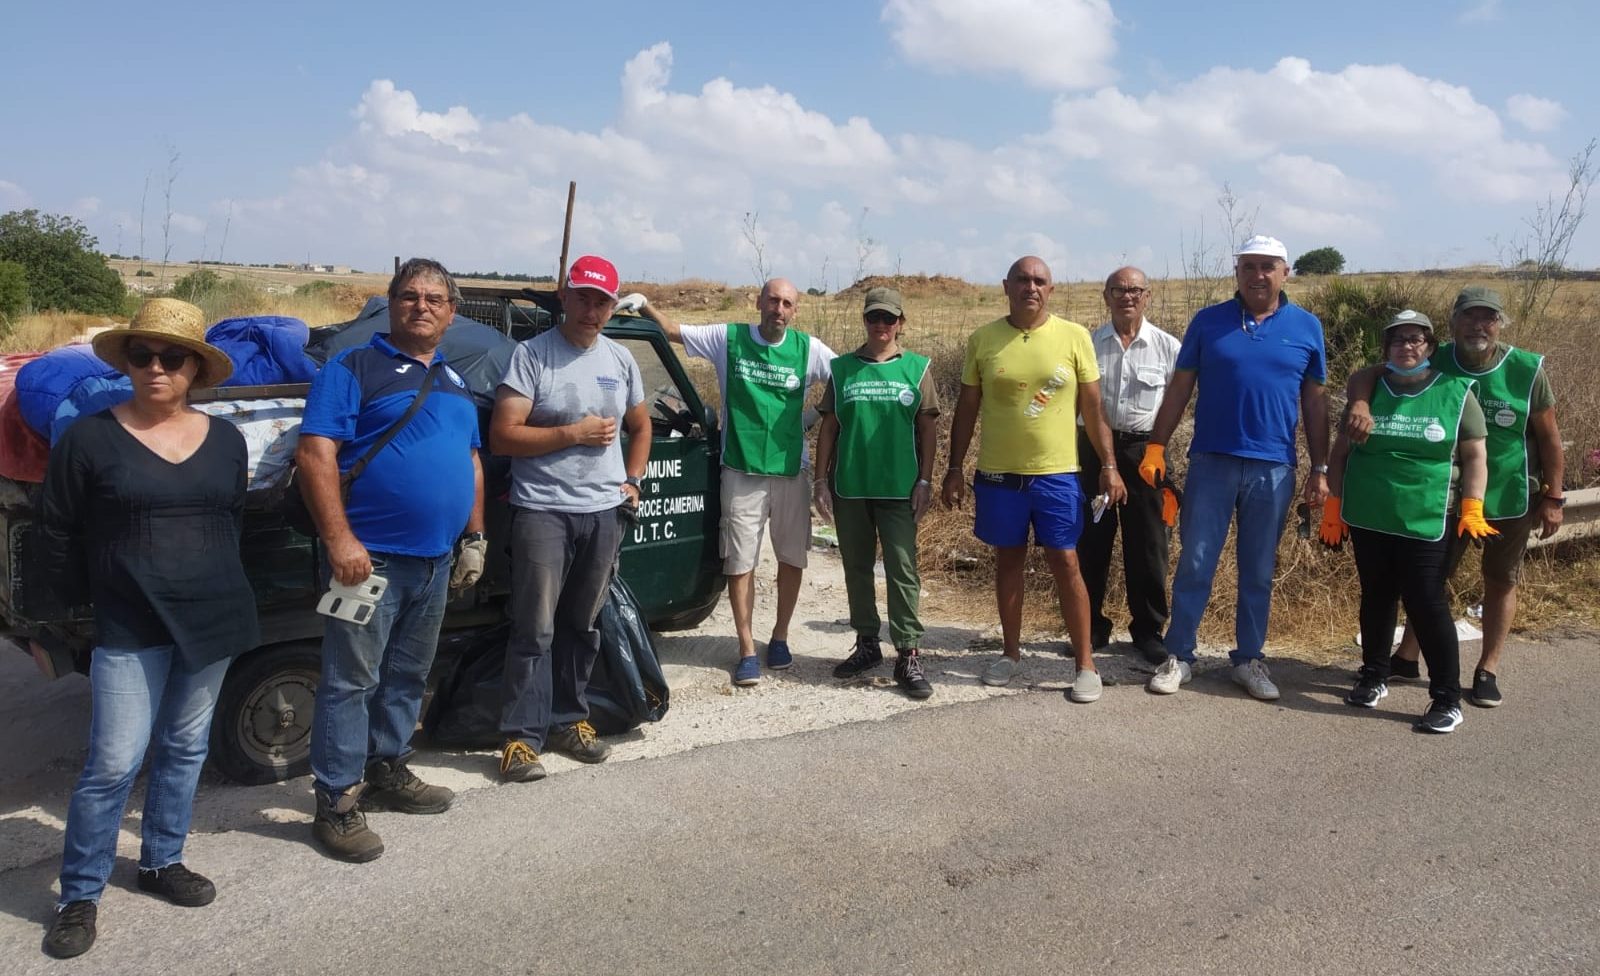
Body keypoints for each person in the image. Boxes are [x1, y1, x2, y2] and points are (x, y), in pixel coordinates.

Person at [38, 299, 258, 959]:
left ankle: (162, 860)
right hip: (129, 622)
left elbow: (232, 521)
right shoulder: (89, 438)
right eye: (143, 355)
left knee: (186, 748)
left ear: (196, 367)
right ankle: (80, 894)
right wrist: (68, 613)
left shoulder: (227, 441)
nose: (156, 368)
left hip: (214, 615)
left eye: (172, 356)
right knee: (112, 762)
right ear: (127, 361)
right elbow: (55, 531)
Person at [297, 258, 486, 862]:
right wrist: (341, 541)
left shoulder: (456, 382)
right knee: (351, 682)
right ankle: (337, 801)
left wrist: (474, 538)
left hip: (435, 562)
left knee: (407, 675)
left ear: (452, 312)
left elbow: (472, 462)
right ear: (390, 304)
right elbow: (316, 454)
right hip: (368, 560)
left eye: (435, 298)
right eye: (410, 296)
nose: (423, 306)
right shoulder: (352, 366)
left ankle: (388, 767)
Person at [1344, 286, 1564, 707]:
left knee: (1500, 579)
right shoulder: (1434, 355)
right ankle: (1407, 658)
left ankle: (1487, 669)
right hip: (1444, 497)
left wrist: (1554, 496)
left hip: (1509, 492)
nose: (1479, 325)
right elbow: (1372, 373)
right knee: (1426, 583)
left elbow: (1550, 437)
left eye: (1489, 318)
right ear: (1452, 323)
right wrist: (1359, 401)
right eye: (1469, 316)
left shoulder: (1525, 369)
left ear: (1500, 324)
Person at [1138, 235, 1329, 701]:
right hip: (1212, 461)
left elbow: (1316, 403)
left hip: (1274, 468)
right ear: (1237, 272)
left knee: (1258, 567)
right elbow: (1180, 389)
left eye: (1268, 266)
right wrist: (1156, 446)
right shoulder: (1209, 322)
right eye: (1249, 266)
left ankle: (1248, 659)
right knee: (1196, 561)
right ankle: (1179, 654)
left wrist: (1320, 468)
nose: (1258, 275)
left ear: (1285, 273)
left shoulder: (1306, 327)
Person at [490, 255, 649, 782]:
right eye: (583, 296)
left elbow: (641, 426)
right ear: (565, 296)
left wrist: (632, 480)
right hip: (541, 510)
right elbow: (503, 435)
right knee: (533, 628)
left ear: (612, 305)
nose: (592, 309)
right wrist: (571, 434)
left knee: (581, 625)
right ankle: (519, 738)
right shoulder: (531, 356)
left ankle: (569, 720)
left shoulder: (621, 360)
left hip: (602, 512)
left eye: (602, 300)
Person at [939, 256, 1126, 703]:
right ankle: (1010, 654)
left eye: (1040, 281)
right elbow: (966, 410)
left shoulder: (1074, 337)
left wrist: (1109, 464)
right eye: (1022, 280)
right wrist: (953, 469)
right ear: (1006, 286)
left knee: (1066, 562)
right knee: (1008, 561)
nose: (1031, 287)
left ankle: (1085, 664)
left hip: (1057, 474)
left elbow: (1094, 409)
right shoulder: (983, 339)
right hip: (999, 475)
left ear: (1051, 290)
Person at [639, 280, 835, 686]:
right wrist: (645, 307)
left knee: (792, 557)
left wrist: (817, 413)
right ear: (758, 303)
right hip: (741, 469)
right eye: (772, 301)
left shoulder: (807, 348)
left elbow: (845, 376)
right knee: (740, 561)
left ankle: (779, 636)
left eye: (786, 303)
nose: (778, 309)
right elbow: (674, 331)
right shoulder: (729, 339)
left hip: (789, 471)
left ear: (794, 311)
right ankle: (746, 648)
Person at [1322, 310, 1495, 733]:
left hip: (1426, 516)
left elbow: (1475, 457)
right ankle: (1374, 674)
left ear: (1431, 347)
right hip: (1369, 514)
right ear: (1387, 351)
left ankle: (1446, 698)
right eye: (1398, 340)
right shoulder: (1369, 392)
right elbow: (1340, 453)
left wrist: (1472, 505)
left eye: (1416, 339)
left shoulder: (1456, 392)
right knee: (1376, 596)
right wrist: (1333, 505)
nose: (1407, 346)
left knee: (1426, 601)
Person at [812, 287, 940, 699]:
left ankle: (908, 653)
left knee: (903, 569)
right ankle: (867, 644)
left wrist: (926, 480)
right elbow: (829, 427)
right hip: (850, 485)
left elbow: (928, 429)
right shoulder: (843, 369)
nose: (881, 325)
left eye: (889, 318)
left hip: (900, 488)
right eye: (874, 318)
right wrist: (820, 481)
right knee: (857, 567)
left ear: (901, 322)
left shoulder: (918, 369)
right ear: (864, 321)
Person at [1076, 266, 1181, 665]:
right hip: (1093, 450)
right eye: (1119, 290)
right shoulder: (1087, 344)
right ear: (1106, 296)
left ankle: (1148, 630)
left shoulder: (1168, 347)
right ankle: (1091, 627)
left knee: (1149, 543)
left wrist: (1159, 448)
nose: (1127, 297)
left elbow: (1175, 402)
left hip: (1145, 452)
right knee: (1091, 539)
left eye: (1136, 290)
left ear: (1148, 296)